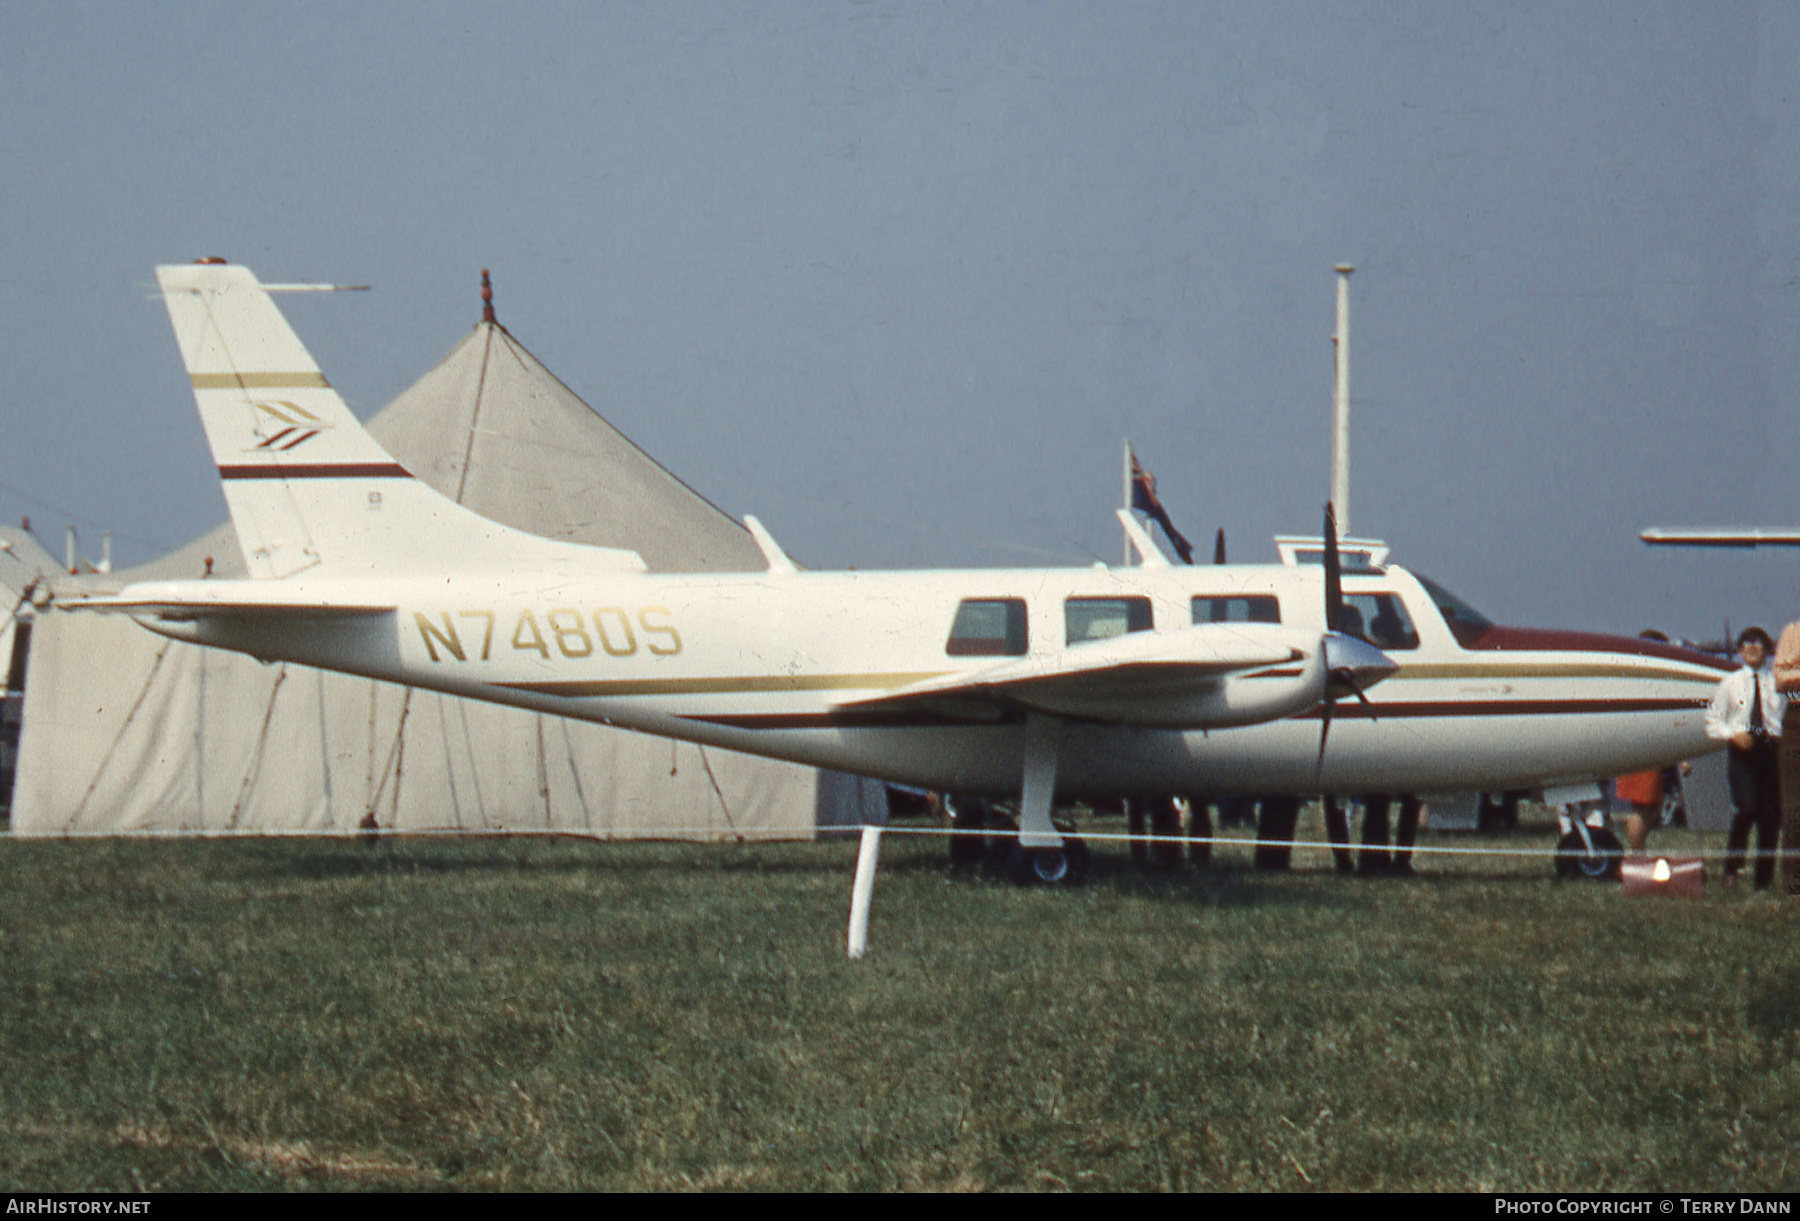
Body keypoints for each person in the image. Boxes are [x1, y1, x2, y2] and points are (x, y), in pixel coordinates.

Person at [1705, 627, 1783, 889]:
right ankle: (1731, 870)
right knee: (1747, 808)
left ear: (1768, 650)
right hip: (1742, 754)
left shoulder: (1778, 684)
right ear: (1739, 651)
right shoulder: (1730, 684)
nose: (1752, 649)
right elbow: (1712, 722)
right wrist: (1732, 734)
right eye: (1747, 644)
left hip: (1770, 752)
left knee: (1770, 818)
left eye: (1758, 644)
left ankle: (1763, 880)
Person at [1773, 621, 1800, 897]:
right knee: (1795, 807)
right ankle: (1794, 884)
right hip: (1796, 721)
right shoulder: (1793, 632)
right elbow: (1780, 679)